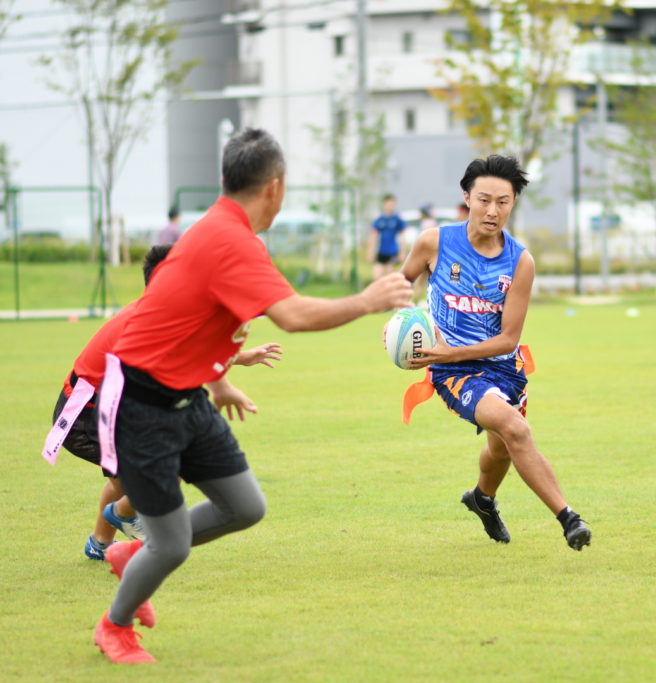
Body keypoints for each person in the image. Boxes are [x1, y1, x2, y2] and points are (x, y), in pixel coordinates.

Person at [90, 127, 412, 664]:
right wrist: (366, 299)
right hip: (141, 405)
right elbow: (292, 316)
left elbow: (196, 317)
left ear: (227, 180)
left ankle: (132, 554)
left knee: (244, 506)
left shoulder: (221, 231)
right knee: (170, 545)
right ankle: (114, 626)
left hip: (186, 396)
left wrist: (218, 381)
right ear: (276, 188)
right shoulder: (229, 240)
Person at [42, 244, 284, 562]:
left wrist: (239, 357)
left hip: (105, 406)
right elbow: (179, 355)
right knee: (160, 466)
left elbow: (187, 347)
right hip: (87, 412)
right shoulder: (143, 320)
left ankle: (101, 542)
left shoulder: (160, 315)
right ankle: (128, 522)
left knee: (126, 478)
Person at [399, 154, 591, 552]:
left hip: (504, 368)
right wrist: (402, 327)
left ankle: (482, 500)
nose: (492, 210)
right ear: (466, 197)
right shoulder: (434, 242)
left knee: (501, 447)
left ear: (513, 204)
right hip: (454, 372)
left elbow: (507, 339)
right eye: (484, 199)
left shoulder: (520, 261)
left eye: (502, 202)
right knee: (516, 429)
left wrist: (447, 352)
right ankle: (568, 518)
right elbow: (399, 286)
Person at [367, 194, 407, 280]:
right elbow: (373, 237)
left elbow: (402, 237)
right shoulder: (379, 220)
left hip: (392, 252)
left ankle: (392, 293)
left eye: (392, 204)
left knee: (390, 277)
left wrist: (402, 252)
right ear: (384, 205)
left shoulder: (397, 219)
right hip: (381, 251)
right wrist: (370, 252)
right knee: (376, 276)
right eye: (388, 204)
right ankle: (378, 293)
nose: (390, 206)